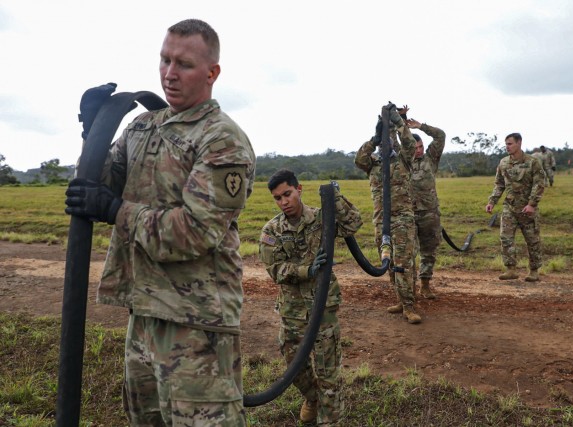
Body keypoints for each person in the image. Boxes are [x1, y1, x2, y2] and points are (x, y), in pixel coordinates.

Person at [65, 19, 255, 426]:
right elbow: (95, 188)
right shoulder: (142, 126)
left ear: (211, 73)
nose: (170, 73)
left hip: (196, 322)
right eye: (165, 60)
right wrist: (91, 132)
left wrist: (117, 211)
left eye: (183, 64)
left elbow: (194, 231)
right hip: (145, 313)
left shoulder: (222, 139)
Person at [258, 169, 362, 425]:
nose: (284, 202)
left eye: (287, 194)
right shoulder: (271, 230)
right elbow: (275, 270)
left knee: (329, 375)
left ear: (299, 189)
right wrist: (307, 270)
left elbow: (353, 224)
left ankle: (329, 420)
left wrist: (334, 197)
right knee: (294, 366)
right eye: (277, 198)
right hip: (292, 312)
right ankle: (312, 398)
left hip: (322, 307)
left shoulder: (321, 218)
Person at [354, 104, 422, 324]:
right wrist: (373, 139)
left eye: (389, 138)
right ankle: (400, 300)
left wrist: (399, 123)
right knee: (388, 263)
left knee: (403, 262)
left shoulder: (402, 160)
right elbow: (358, 159)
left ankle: (409, 307)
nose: (386, 142)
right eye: (384, 138)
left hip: (402, 220)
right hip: (381, 222)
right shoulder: (373, 164)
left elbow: (410, 144)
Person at [485, 133, 545, 282]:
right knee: (506, 238)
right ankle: (511, 269)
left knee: (532, 240)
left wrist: (531, 204)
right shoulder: (504, 162)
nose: (507, 147)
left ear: (519, 143)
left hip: (527, 208)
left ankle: (534, 271)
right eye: (506, 144)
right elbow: (499, 184)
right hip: (509, 207)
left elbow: (539, 184)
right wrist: (492, 201)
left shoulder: (533, 162)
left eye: (510, 144)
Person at [406, 119, 446, 300]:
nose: (419, 150)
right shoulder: (402, 163)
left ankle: (425, 285)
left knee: (429, 251)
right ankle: (408, 289)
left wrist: (421, 126)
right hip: (407, 215)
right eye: (415, 147)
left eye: (421, 146)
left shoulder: (430, 158)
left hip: (429, 213)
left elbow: (440, 136)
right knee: (407, 253)